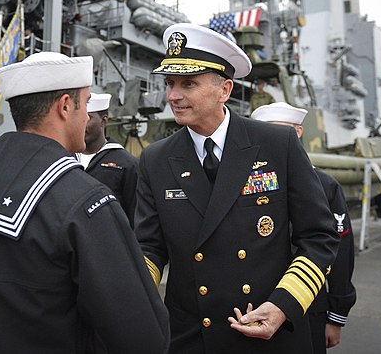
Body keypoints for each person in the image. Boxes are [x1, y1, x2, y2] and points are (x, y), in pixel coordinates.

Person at [0, 52, 169, 353]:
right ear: (66, 106)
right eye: (86, 102)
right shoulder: (85, 202)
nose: (85, 115)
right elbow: (143, 336)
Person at [134, 23, 338, 352]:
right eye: (170, 83)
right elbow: (148, 247)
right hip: (191, 336)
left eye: (188, 83)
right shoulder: (155, 160)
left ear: (224, 90)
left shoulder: (276, 144)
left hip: (268, 329)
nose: (173, 95)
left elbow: (318, 236)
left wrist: (284, 305)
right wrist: (133, 299)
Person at [251, 102, 357, 353]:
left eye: (282, 131)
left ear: (297, 133)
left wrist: (337, 315)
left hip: (306, 305)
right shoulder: (241, 183)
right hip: (251, 304)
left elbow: (339, 251)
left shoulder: (324, 185)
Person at [77, 92, 139, 225]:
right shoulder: (67, 159)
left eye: (88, 118)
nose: (81, 123)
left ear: (104, 121)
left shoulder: (126, 164)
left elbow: (134, 215)